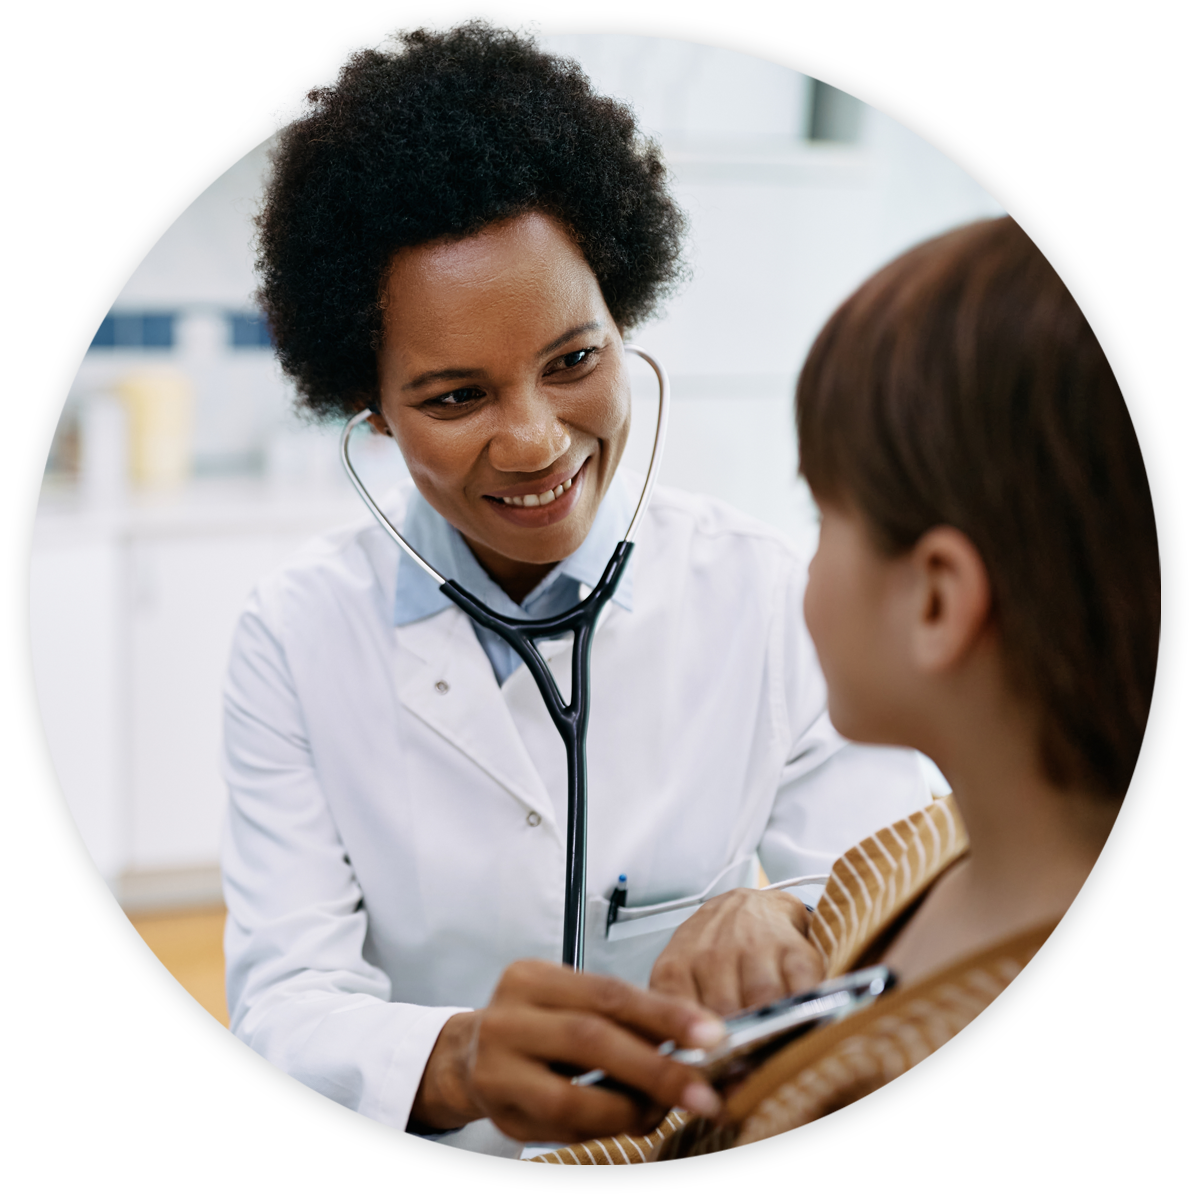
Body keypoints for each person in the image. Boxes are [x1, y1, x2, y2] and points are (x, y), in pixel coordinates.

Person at [209, 10, 932, 1166]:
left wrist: (791, 914)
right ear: (373, 412)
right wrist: (456, 1061)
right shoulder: (295, 638)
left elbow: (911, 887)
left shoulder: (765, 594)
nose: (537, 441)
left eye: (575, 361)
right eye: (454, 398)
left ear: (623, 317)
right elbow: (284, 1026)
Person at [531, 181, 1161, 1166]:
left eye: (826, 517)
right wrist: (774, 908)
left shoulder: (951, 1124)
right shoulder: (955, 840)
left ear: (938, 602)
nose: (804, 563)